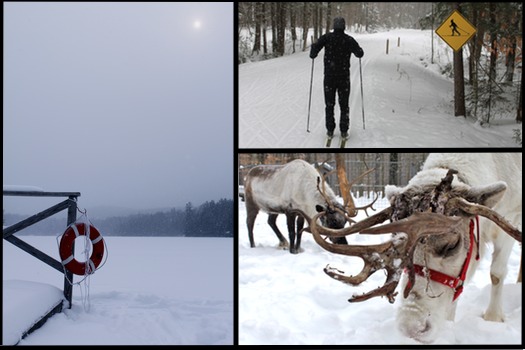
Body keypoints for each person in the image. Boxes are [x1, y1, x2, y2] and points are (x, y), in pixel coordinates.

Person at [310, 17, 364, 140]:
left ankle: (330, 129)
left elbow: (313, 54)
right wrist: (359, 50)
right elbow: (359, 53)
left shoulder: (327, 38)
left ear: (334, 26)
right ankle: (344, 131)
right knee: (344, 105)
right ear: (344, 27)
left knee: (329, 104)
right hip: (344, 78)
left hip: (329, 77)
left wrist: (314, 48)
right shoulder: (348, 39)